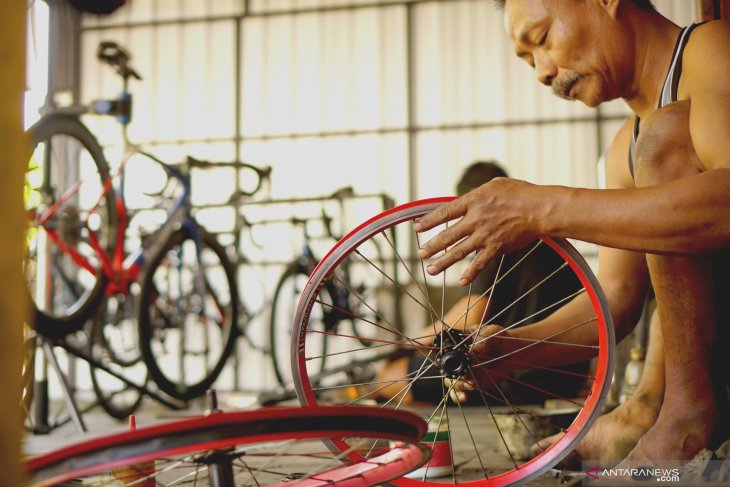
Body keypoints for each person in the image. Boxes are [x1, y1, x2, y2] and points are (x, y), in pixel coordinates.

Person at [413, 0, 730, 465]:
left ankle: (676, 421)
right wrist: (515, 350)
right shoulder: (624, 147)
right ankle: (648, 417)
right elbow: (616, 299)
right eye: (526, 61)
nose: (541, 72)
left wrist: (543, 206)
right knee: (656, 146)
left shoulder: (713, 50)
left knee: (664, 141)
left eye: (541, 39)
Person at [376, 160, 588, 405]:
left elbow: (468, 317)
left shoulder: (500, 240)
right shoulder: (547, 239)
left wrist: (410, 343)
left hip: (515, 377)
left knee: (389, 377)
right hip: (565, 379)